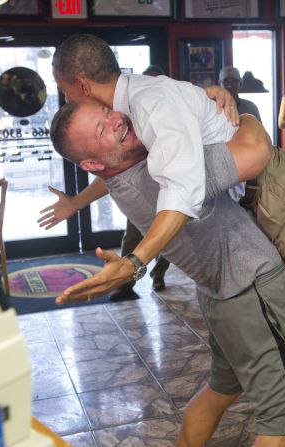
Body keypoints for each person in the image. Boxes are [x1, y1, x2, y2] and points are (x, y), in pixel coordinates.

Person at [49, 34, 285, 432]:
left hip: (275, 186)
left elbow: (190, 185)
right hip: (248, 197)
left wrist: (137, 262)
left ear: (81, 85)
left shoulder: (148, 105)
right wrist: (77, 202)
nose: (67, 98)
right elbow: (117, 169)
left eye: (65, 90)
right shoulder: (128, 108)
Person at [50, 102, 285, 446]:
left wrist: (76, 202)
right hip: (255, 296)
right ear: (92, 163)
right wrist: (239, 109)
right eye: (102, 129)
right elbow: (255, 148)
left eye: (106, 112)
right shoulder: (172, 174)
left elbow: (106, 179)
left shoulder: (120, 174)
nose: (117, 120)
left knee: (218, 393)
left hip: (221, 301)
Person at [109, 64, 171, 299]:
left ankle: (159, 275)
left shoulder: (171, 112)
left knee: (170, 237)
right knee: (133, 237)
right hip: (141, 187)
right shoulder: (129, 115)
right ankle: (125, 285)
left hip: (168, 187)